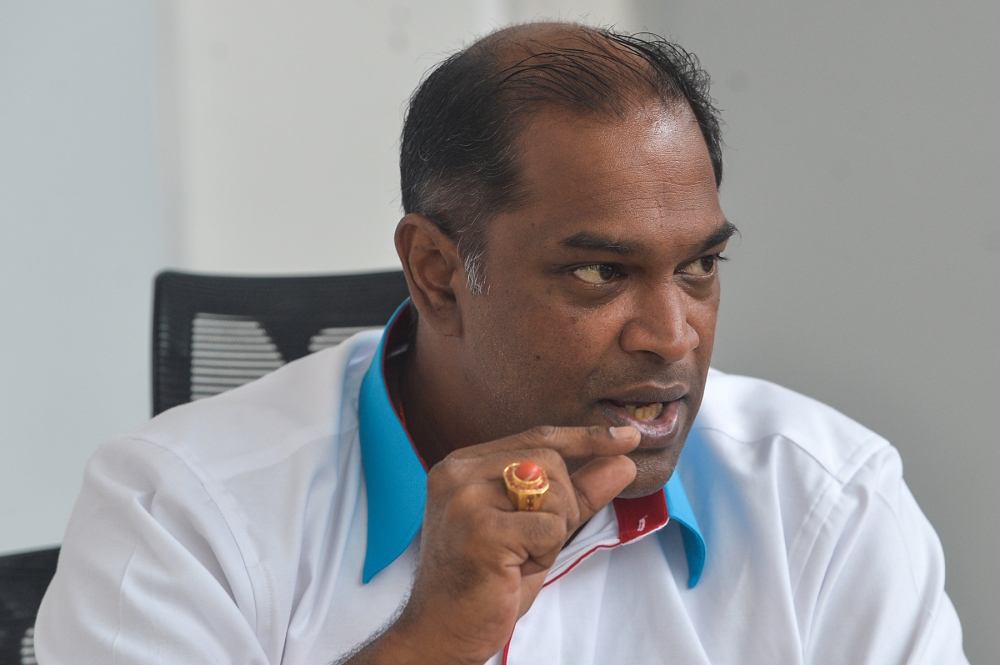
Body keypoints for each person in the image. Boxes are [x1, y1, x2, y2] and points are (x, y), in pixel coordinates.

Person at [36, 23, 967, 664]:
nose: (671, 337)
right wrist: (429, 640)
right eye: (600, 272)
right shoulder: (178, 510)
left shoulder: (826, 497)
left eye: (698, 268)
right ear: (440, 272)